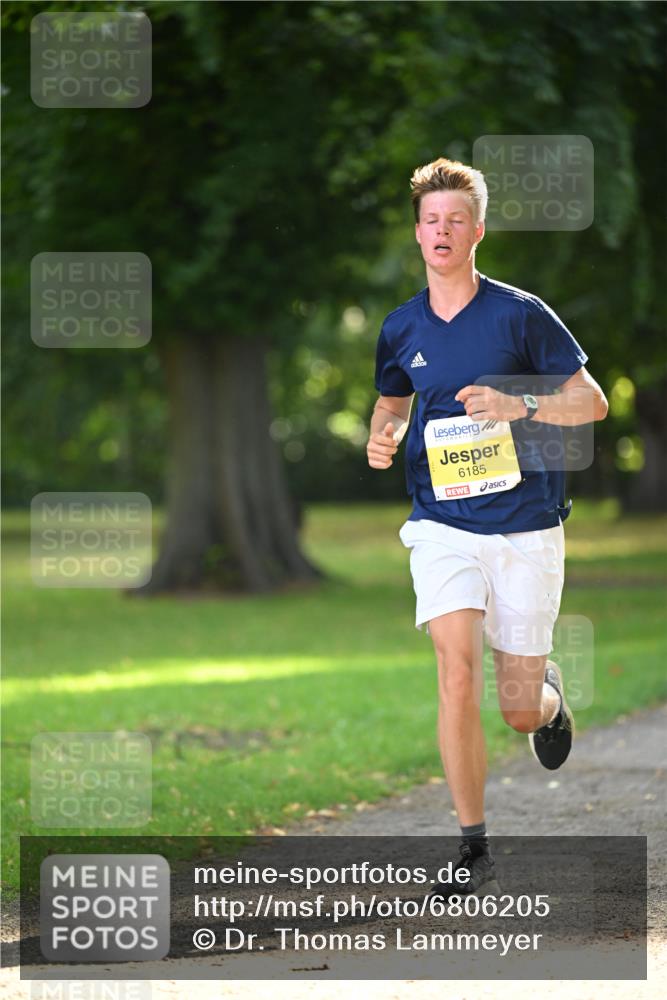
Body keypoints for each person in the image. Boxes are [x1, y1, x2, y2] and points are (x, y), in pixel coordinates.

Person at [366, 157, 608, 898]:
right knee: (454, 671)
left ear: (476, 230)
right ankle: (471, 845)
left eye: (454, 220)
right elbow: (392, 407)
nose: (441, 231)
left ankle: (547, 698)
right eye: (430, 221)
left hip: (524, 525)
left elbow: (592, 403)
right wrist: (379, 437)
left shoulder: (520, 314)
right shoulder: (400, 326)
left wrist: (521, 406)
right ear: (418, 233)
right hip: (440, 525)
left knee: (512, 708)